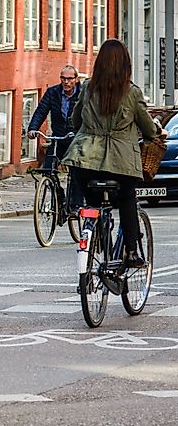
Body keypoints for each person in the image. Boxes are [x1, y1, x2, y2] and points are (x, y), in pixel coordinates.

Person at [63, 39, 163, 268]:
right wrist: (156, 130)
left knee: (93, 204)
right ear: (125, 64)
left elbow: (75, 120)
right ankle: (131, 251)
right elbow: (148, 128)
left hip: (84, 159)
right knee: (127, 199)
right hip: (121, 163)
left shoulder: (88, 87)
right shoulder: (132, 92)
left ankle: (96, 238)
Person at [27, 65, 83, 209]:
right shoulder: (53, 92)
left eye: (69, 79)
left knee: (76, 171)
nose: (66, 82)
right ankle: (59, 195)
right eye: (63, 78)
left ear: (76, 79)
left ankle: (75, 205)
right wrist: (33, 128)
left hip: (76, 138)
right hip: (58, 138)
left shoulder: (83, 94)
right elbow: (41, 111)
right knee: (48, 169)